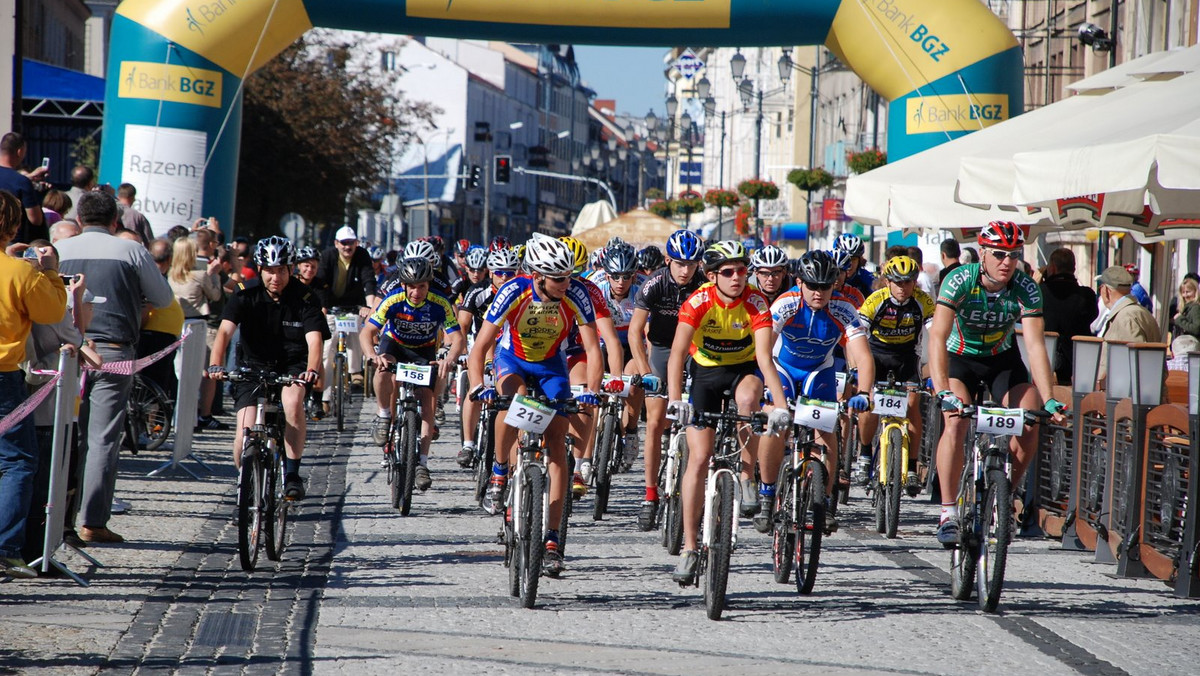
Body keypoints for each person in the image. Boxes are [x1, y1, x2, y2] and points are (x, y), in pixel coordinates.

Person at [470, 234, 603, 577]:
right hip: (512, 359)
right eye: (559, 278)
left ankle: (553, 541)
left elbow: (592, 346)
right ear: (538, 276)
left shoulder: (576, 293)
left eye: (569, 276)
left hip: (549, 365)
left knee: (558, 443)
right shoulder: (514, 290)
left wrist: (590, 389)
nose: (566, 283)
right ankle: (499, 471)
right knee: (510, 404)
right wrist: (477, 384)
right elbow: (482, 343)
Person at [928, 221, 1065, 546]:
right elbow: (937, 336)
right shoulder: (960, 280)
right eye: (999, 254)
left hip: (1001, 361)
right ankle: (948, 512)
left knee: (1030, 422)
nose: (1007, 262)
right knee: (956, 421)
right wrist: (942, 390)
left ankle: (1003, 496)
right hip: (960, 359)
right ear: (984, 253)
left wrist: (1048, 398)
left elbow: (1034, 345)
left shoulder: (1025, 287)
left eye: (1013, 255)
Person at [667, 241, 791, 584]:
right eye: (728, 272)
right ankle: (691, 548)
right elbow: (678, 354)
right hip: (705, 373)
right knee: (698, 459)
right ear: (711, 276)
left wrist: (780, 406)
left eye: (741, 270)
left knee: (750, 400)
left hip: (743, 370)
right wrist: (676, 399)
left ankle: (747, 476)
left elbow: (766, 359)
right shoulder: (698, 301)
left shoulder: (754, 302)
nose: (737, 277)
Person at [55, 192, 174, 544]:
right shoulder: (131, 251)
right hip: (113, 351)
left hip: (65, 350)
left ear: (79, 219)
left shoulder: (60, 249)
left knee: (64, 437)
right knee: (102, 438)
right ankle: (93, 520)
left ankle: (56, 521)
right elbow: (163, 298)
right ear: (114, 222)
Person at [208, 237, 326, 499]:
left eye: (281, 270)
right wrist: (215, 363)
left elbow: (314, 340)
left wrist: (312, 369)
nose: (276, 277)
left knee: (293, 402)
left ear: (291, 269)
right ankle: (246, 485)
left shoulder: (306, 298)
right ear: (260, 269)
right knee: (244, 432)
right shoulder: (244, 293)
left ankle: (292, 473)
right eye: (270, 271)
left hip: (292, 365)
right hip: (253, 365)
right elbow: (225, 332)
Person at [0, 191, 68, 578]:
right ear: (12, 227)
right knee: (18, 461)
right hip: (3, 375)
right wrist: (48, 270)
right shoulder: (20, 272)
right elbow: (53, 311)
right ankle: (5, 546)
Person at [361, 257, 463, 492]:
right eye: (412, 286)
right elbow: (368, 332)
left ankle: (422, 464)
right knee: (383, 367)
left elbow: (457, 338)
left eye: (422, 286)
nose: (417, 292)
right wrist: (371, 355)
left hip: (423, 350)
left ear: (429, 285)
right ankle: (384, 415)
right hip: (395, 345)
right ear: (404, 285)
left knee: (426, 399)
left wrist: (449, 357)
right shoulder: (393, 299)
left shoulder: (440, 303)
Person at [629, 230, 704, 531]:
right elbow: (635, 331)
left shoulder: (704, 285)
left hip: (694, 349)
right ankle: (650, 495)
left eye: (692, 264)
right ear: (668, 261)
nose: (686, 271)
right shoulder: (654, 284)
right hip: (660, 347)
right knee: (657, 420)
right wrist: (646, 372)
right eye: (680, 264)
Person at [854, 255, 933, 493]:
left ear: (915, 282)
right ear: (887, 281)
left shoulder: (923, 301)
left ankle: (911, 466)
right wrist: (854, 368)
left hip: (907, 357)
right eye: (898, 282)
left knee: (912, 404)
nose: (903, 287)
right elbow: (856, 334)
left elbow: (937, 334)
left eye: (908, 282)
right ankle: (866, 452)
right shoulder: (875, 301)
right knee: (869, 401)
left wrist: (938, 372)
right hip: (876, 355)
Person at [455, 247, 519, 467]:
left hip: (508, 346)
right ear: (490, 272)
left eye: (510, 273)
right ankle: (469, 444)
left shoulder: (521, 293)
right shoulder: (477, 291)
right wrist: (463, 352)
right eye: (500, 272)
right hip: (480, 344)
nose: (504, 277)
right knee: (475, 388)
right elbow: (462, 325)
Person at [312, 226, 378, 412]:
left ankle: (355, 370)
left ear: (356, 243)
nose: (348, 247)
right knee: (327, 351)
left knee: (357, 329)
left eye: (351, 242)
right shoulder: (327, 256)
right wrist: (323, 307)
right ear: (336, 244)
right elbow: (321, 283)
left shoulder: (362, 255)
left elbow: (368, 280)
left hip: (354, 306)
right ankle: (324, 398)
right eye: (344, 243)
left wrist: (370, 306)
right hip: (331, 306)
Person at [1093, 265, 1162, 383]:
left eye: (1100, 288)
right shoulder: (1141, 312)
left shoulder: (1125, 318)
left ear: (1106, 291)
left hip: (1128, 396)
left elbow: (1133, 367)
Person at [1039, 248, 1098, 384]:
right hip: (1078, 362)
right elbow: (1092, 316)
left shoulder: (1040, 293)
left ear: (1052, 268)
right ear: (1074, 268)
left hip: (1045, 360)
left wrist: (1038, 281)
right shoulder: (1086, 295)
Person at [0, 133, 47, 243]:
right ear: (19, 151)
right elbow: (35, 219)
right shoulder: (21, 182)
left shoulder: (22, 180)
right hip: (11, 243)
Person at [834, 232, 875, 299]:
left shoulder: (865, 277)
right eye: (844, 259)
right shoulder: (828, 276)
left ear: (859, 261)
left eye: (853, 259)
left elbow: (876, 286)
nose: (849, 264)